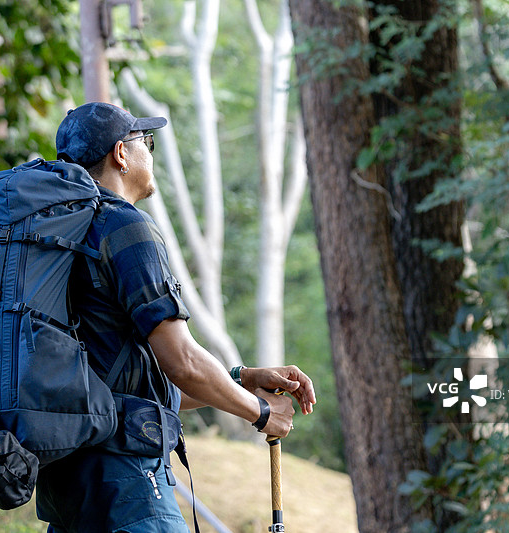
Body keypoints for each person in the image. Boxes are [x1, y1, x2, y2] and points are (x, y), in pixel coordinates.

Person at [34, 102, 317, 533]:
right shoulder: (124, 228)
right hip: (127, 483)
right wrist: (261, 412)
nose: (151, 152)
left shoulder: (57, 242)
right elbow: (181, 360)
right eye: (146, 142)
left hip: (68, 488)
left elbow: (130, 388)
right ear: (120, 154)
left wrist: (240, 378)